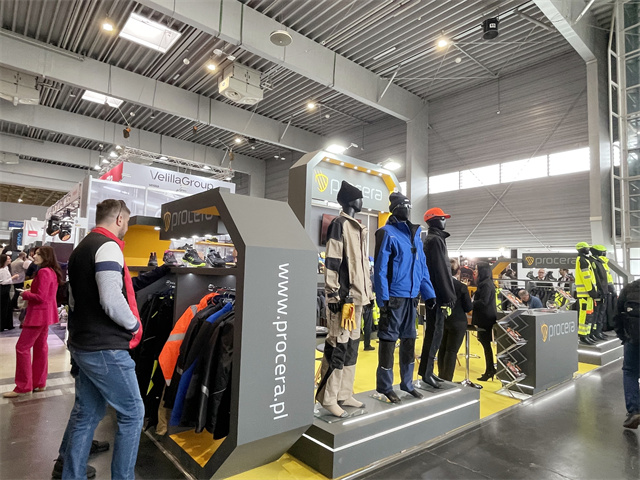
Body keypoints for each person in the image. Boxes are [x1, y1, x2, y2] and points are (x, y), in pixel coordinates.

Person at [62, 199, 144, 480]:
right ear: (119, 219)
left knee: (86, 414)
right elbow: (111, 298)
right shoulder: (108, 247)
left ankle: (71, 475)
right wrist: (134, 325)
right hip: (105, 347)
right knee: (133, 413)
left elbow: (73, 299)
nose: (127, 227)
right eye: (127, 222)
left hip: (83, 344)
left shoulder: (81, 248)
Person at [316, 181, 373, 418]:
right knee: (337, 346)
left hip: (358, 299)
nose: (362, 201)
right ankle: (328, 398)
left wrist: (368, 294)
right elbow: (332, 261)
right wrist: (333, 293)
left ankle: (344, 393)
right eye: (359, 197)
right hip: (343, 300)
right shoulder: (339, 225)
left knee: (352, 347)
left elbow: (362, 266)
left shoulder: (358, 228)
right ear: (351, 200)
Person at [374, 192, 436, 403]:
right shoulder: (386, 233)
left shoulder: (416, 235)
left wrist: (428, 293)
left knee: (409, 340)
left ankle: (407, 383)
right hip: (394, 297)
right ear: (394, 209)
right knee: (388, 341)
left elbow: (422, 266)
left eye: (409, 206)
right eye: (403, 206)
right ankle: (385, 386)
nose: (407, 210)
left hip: (412, 298)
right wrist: (382, 299)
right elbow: (380, 268)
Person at [3, 247, 64, 398]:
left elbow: (40, 297)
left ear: (46, 256)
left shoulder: (43, 272)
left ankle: (23, 386)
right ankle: (39, 382)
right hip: (46, 315)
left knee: (22, 348)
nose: (34, 256)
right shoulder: (52, 272)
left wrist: (26, 294)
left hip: (37, 315)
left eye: (38, 254)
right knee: (40, 348)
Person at [418, 207, 456, 389]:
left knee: (435, 334)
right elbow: (440, 271)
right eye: (442, 218)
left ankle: (427, 371)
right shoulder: (435, 241)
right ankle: (426, 373)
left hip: (436, 294)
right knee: (434, 333)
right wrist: (448, 295)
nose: (445, 221)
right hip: (437, 295)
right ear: (435, 220)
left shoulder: (435, 240)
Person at [437, 261, 473, 381]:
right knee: (451, 351)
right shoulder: (461, 287)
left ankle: (440, 376)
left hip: (443, 320)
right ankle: (447, 378)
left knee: (442, 348)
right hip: (458, 321)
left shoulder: (439, 285)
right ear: (458, 272)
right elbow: (468, 307)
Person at [613, 279, 640, 429]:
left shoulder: (629, 289)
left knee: (630, 372)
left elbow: (617, 316)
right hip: (631, 338)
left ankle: (634, 411)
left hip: (633, 339)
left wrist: (624, 337)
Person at [472, 262, 497, 382]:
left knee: (486, 344)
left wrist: (471, 302)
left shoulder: (486, 284)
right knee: (485, 344)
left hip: (485, 318)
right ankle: (490, 369)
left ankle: (490, 370)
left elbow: (484, 302)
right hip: (485, 317)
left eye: (477, 269)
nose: (475, 272)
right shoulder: (486, 283)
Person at [0, 254, 19, 331]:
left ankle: (7, 324)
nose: (10, 260)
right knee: (3, 308)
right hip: (3, 290)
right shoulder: (2, 270)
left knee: (8, 307)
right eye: (8, 259)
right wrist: (13, 277)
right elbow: (3, 282)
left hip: (6, 289)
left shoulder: (6, 268)